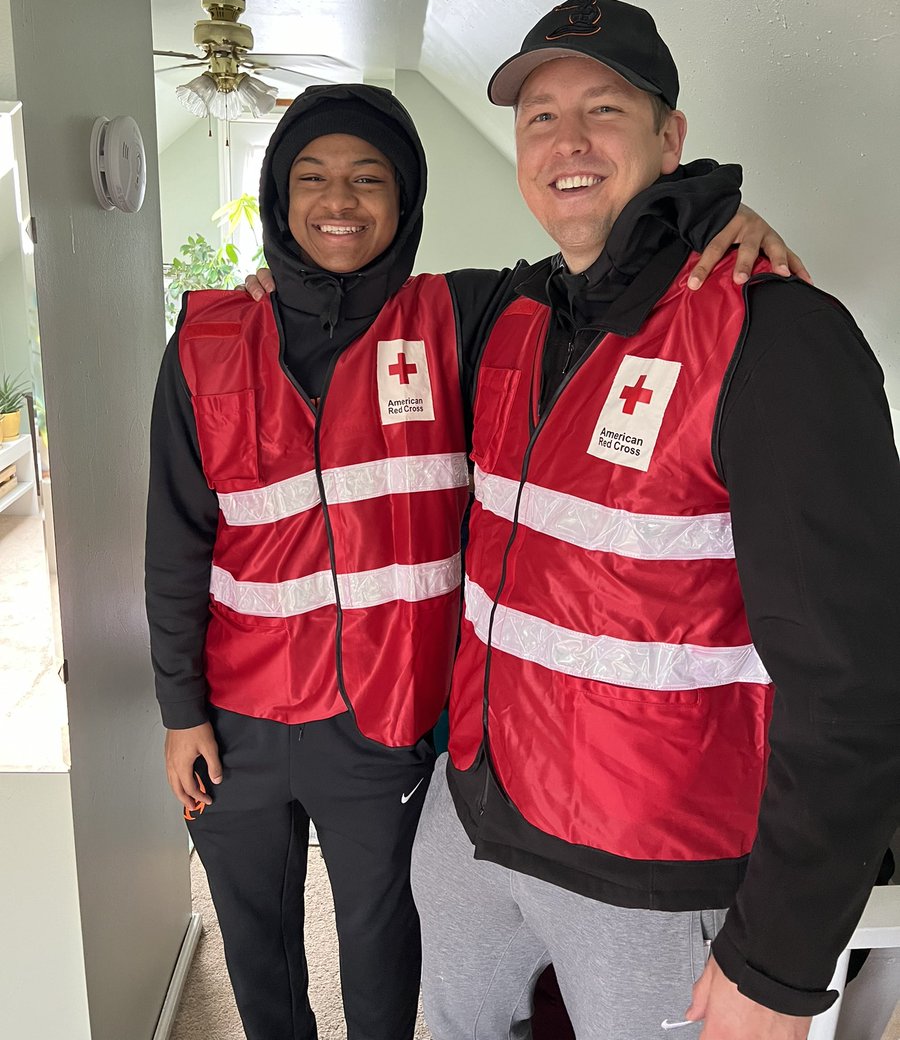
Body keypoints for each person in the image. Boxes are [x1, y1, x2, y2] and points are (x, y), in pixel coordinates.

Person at [148, 82, 794, 1040]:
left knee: (382, 947)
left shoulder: (465, 316)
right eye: (313, 178)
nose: (340, 201)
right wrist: (179, 710)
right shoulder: (205, 344)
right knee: (255, 944)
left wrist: (709, 213)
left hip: (384, 719)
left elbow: (602, 255)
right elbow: (175, 539)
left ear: (405, 203)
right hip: (237, 720)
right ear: (279, 199)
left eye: (370, 178)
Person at [406, 0, 900, 1040]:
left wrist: (779, 959)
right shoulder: (510, 314)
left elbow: (856, 685)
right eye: (540, 117)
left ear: (671, 139)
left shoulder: (775, 341)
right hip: (477, 821)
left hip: (653, 879)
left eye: (605, 111)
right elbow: (354, 306)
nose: (568, 142)